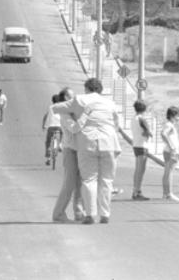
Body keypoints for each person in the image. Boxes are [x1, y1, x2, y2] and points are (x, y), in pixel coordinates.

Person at [52, 78, 123, 224]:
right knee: (106, 180)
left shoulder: (79, 100)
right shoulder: (110, 103)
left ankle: (90, 214)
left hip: (87, 142)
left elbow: (55, 108)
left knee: (89, 179)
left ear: (86, 88)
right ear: (101, 89)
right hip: (109, 141)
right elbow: (117, 123)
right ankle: (105, 214)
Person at [52, 87, 85, 222]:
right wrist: (85, 117)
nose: (75, 98)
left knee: (80, 183)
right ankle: (58, 214)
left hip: (79, 150)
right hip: (70, 151)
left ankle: (78, 212)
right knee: (69, 184)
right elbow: (74, 128)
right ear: (66, 99)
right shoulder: (65, 114)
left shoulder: (74, 112)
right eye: (72, 96)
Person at [129, 100, 153, 201]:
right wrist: (147, 134)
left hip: (136, 144)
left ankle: (135, 190)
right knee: (141, 170)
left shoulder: (133, 118)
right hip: (142, 145)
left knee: (137, 169)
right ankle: (137, 191)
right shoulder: (142, 119)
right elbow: (149, 132)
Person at [161, 106, 179, 201]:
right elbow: (163, 134)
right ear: (172, 115)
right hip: (171, 151)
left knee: (167, 172)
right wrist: (171, 146)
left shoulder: (169, 124)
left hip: (168, 150)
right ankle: (169, 193)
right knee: (169, 172)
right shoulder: (169, 125)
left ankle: (166, 193)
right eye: (178, 115)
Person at [42, 94, 62, 166]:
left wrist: (44, 126)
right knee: (62, 133)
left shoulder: (50, 107)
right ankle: (60, 144)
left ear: (52, 100)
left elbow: (45, 116)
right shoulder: (62, 107)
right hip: (59, 126)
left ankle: (48, 158)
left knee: (48, 142)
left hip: (51, 127)